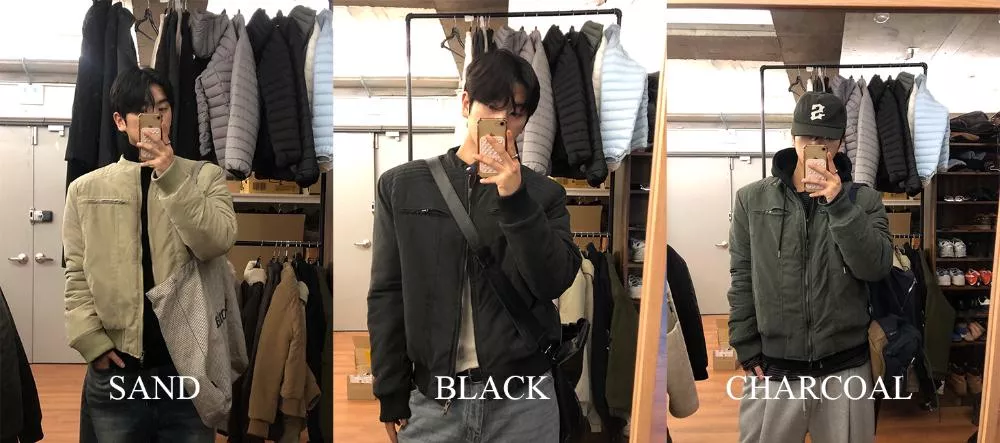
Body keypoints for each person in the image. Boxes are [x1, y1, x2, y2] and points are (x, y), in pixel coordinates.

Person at [367, 49, 582, 443]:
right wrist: (390, 390)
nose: (503, 121)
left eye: (516, 112)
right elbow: (387, 293)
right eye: (492, 106)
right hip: (434, 402)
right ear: (466, 103)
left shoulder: (544, 194)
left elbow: (553, 281)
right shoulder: (402, 186)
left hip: (524, 400)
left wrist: (516, 199)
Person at [62, 66, 238, 442]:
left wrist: (171, 174)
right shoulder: (84, 190)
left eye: (162, 109)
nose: (155, 120)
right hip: (118, 370)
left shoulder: (205, 177)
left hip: (186, 370)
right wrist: (90, 340)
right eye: (143, 111)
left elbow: (216, 241)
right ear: (120, 121)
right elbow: (76, 271)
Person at [727, 91, 893, 443]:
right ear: (792, 136)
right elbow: (742, 275)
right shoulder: (751, 199)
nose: (816, 146)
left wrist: (838, 203)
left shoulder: (865, 200)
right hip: (774, 366)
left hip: (845, 366)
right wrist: (744, 343)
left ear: (840, 143)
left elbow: (876, 267)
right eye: (807, 136)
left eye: (826, 139)